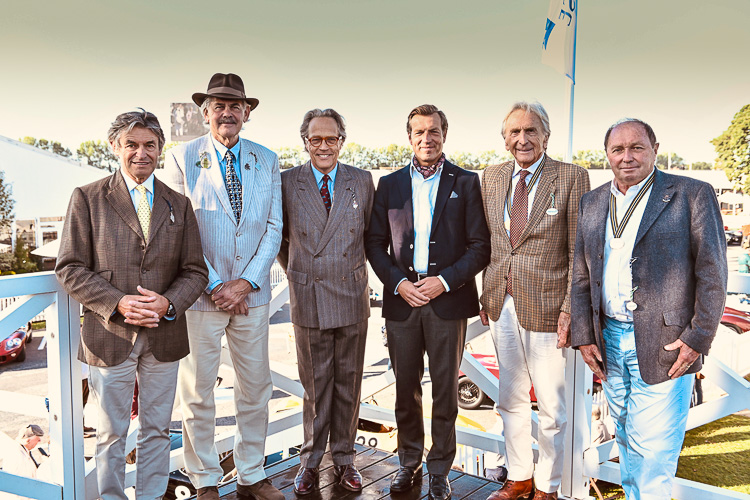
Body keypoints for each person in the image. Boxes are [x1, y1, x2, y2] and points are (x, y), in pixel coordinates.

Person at [55, 109, 209, 500]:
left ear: (160, 149)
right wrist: (119, 302)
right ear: (115, 148)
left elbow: (195, 272)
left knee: (158, 428)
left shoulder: (180, 204)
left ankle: (152, 495)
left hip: (165, 334)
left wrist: (167, 302)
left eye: (150, 145)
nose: (141, 153)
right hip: (110, 335)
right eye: (132, 145)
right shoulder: (87, 198)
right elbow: (69, 268)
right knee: (110, 432)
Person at [571, 118, 727, 500]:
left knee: (655, 453)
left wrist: (698, 339)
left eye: (636, 147)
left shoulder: (691, 193)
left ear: (654, 149)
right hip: (608, 338)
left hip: (668, 344)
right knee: (626, 438)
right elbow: (580, 274)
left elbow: (713, 272)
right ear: (607, 155)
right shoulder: (592, 202)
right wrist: (583, 334)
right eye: (618, 149)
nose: (627, 157)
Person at [162, 72, 283, 500]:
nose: (227, 112)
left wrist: (246, 282)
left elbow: (274, 226)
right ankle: (205, 480)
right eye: (218, 105)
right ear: (206, 111)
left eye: (235, 106)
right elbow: (180, 229)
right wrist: (217, 285)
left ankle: (251, 473)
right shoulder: (180, 157)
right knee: (198, 393)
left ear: (246, 112)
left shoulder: (268, 159)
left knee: (256, 388)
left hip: (251, 296)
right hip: (201, 296)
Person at [366, 104, 490, 500]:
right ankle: (408, 463)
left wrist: (445, 281)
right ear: (409, 138)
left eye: (433, 131)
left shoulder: (467, 182)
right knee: (405, 389)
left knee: (445, 390)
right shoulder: (389, 184)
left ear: (444, 135)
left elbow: (480, 247)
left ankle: (440, 469)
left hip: (446, 302)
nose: (427, 138)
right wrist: (399, 283)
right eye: (419, 132)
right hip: (403, 301)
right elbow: (373, 243)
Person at [480, 102, 589, 500]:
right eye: (514, 132)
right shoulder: (491, 177)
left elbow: (580, 248)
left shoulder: (571, 177)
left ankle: (547, 486)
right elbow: (491, 242)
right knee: (509, 398)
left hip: (548, 307)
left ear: (546, 135)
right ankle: (519, 477)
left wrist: (569, 308)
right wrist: (486, 292)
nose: (522, 139)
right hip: (500, 303)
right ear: (504, 138)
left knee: (553, 409)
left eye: (530, 131)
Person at [277, 108, 375, 495]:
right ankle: (311, 462)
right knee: (315, 388)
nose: (323, 146)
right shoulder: (287, 182)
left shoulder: (363, 181)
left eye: (330, 138)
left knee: (349, 384)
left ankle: (346, 460)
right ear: (304, 142)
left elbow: (372, 236)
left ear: (341, 141)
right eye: (315, 139)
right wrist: (300, 271)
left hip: (352, 295)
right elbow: (280, 240)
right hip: (309, 295)